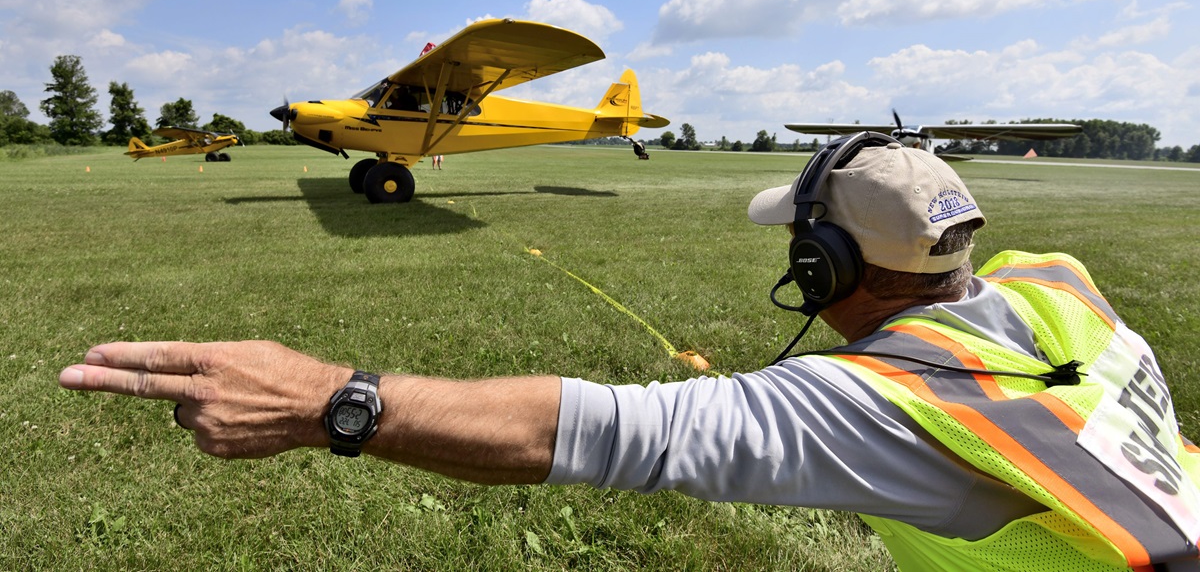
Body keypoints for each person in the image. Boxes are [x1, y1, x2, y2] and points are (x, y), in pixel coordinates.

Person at [59, 132, 1200, 571]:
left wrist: (328, 400)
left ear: (825, 273)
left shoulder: (875, 405)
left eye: (804, 251)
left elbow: (601, 433)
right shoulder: (1060, 286)